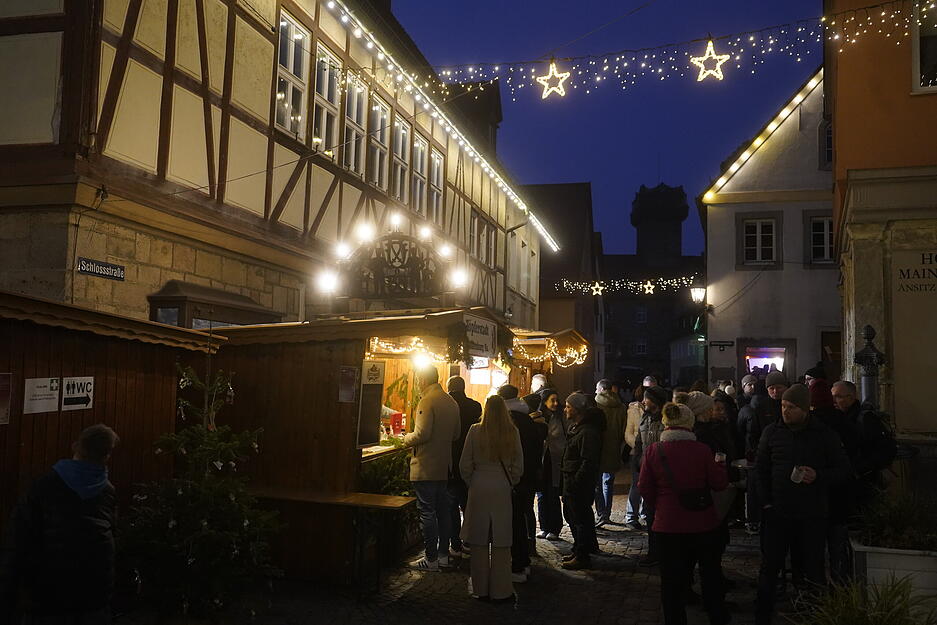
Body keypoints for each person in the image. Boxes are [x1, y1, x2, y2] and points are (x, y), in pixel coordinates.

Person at [1, 424, 120, 625]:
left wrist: (8, 599)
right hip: (94, 595)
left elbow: (17, 543)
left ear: (76, 447)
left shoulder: (44, 486)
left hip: (47, 595)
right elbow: (113, 537)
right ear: (106, 455)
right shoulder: (107, 491)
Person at [754, 384, 852, 625]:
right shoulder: (772, 432)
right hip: (778, 512)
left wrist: (818, 475)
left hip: (811, 514)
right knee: (770, 567)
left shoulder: (824, 435)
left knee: (811, 569)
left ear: (806, 408)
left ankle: (812, 614)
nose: (785, 411)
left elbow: (844, 470)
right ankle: (762, 616)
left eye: (792, 407)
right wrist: (766, 503)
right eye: (783, 406)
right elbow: (760, 470)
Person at [639, 403, 730, 625]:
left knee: (670, 582)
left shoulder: (654, 450)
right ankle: (716, 616)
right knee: (709, 575)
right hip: (702, 523)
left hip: (667, 525)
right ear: (689, 424)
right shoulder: (702, 450)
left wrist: (660, 505)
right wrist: (721, 467)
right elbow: (719, 484)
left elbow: (644, 487)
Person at [459, 396, 524, 603]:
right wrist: (510, 481)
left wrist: (473, 481)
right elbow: (518, 466)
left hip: (479, 485)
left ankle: (480, 588)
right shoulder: (512, 432)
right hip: (501, 487)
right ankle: (501, 589)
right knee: (501, 540)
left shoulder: (475, 430)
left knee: (478, 541)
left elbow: (464, 464)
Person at [403, 367, 462, 571]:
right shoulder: (451, 402)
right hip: (444, 465)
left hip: (426, 465)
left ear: (422, 379)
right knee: (443, 512)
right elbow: (456, 434)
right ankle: (444, 556)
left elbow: (422, 434)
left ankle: (431, 558)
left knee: (427, 511)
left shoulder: (427, 401)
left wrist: (405, 438)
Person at [498, 384, 547, 582]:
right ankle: (523, 560)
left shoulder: (508, 422)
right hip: (528, 476)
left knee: (512, 521)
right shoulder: (527, 420)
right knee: (521, 517)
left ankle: (516, 563)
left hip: (513, 478)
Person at [831, 380, 897, 506]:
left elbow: (885, 450)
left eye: (837, 396)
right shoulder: (841, 418)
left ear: (850, 397)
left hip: (865, 481)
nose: (833, 400)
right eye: (832, 396)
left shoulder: (865, 419)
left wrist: (860, 469)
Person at [559, 392, 602, 570]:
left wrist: (577, 481)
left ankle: (583, 555)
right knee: (572, 516)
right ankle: (578, 549)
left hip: (578, 483)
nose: (565, 409)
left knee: (580, 519)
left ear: (577, 410)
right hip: (570, 479)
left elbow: (588, 461)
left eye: (568, 406)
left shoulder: (588, 431)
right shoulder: (575, 428)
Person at [447, 375, 482, 558]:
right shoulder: (475, 406)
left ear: (449, 387)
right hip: (471, 461)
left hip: (451, 461)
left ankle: (455, 543)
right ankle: (469, 541)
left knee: (451, 505)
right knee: (469, 504)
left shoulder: (446, 405)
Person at [635, 384, 670, 564]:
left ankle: (663, 552)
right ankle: (653, 551)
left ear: (654, 401)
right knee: (649, 514)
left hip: (661, 474)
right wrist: (638, 461)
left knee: (660, 514)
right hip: (647, 471)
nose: (643, 401)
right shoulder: (645, 418)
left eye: (646, 398)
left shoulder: (665, 420)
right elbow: (639, 442)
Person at [594, 378, 627, 527]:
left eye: (596, 389)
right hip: (614, 447)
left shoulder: (596, 404)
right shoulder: (620, 406)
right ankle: (606, 513)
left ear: (601, 389)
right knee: (609, 482)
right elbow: (623, 428)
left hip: (599, 447)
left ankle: (601, 513)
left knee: (597, 483)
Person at [535, 388, 566, 540]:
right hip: (542, 460)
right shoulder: (539, 418)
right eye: (551, 400)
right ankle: (544, 526)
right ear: (544, 401)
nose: (555, 403)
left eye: (556, 400)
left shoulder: (560, 418)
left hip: (555, 460)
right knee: (541, 495)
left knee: (553, 495)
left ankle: (555, 528)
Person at [624, 386, 647, 530]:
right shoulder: (633, 411)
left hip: (651, 453)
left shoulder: (657, 412)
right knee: (636, 484)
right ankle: (631, 515)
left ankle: (644, 512)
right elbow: (628, 433)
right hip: (637, 453)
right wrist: (639, 446)